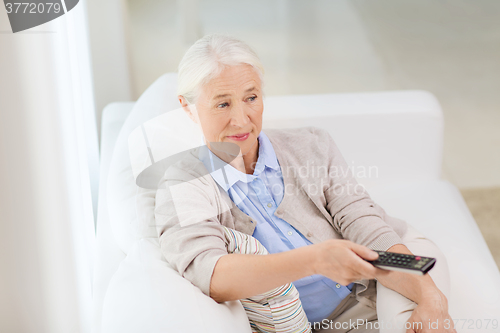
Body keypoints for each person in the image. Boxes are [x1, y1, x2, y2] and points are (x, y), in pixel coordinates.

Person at [154, 34, 456, 333]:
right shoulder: (182, 185)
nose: (242, 120)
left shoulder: (312, 145)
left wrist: (431, 296)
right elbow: (212, 275)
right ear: (187, 108)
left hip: (369, 296)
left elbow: (365, 224)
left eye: (251, 98)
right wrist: (313, 261)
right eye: (222, 104)